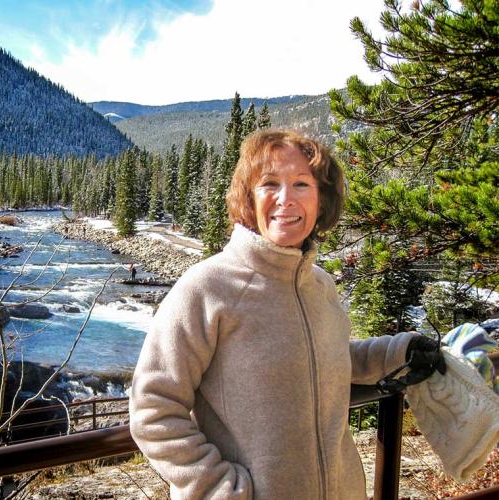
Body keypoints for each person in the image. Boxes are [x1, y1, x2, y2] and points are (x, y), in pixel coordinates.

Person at [128, 130, 445, 499]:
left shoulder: (320, 285)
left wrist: (397, 353)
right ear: (249, 197)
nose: (285, 199)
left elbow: (325, 359)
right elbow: (153, 406)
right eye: (269, 184)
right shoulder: (207, 287)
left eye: (300, 184)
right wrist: (223, 490)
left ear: (321, 199)